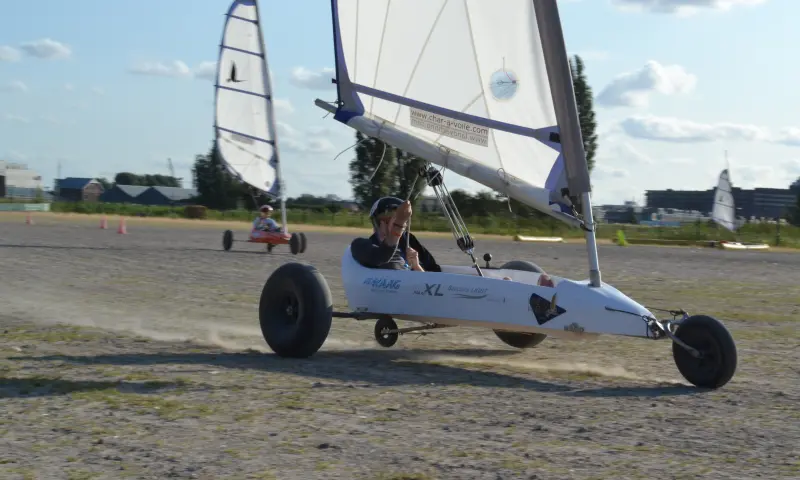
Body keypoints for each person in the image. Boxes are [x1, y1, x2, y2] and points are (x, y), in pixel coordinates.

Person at [351, 196, 440, 272]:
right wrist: (398, 225)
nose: (396, 223)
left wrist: (417, 267)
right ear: (379, 222)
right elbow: (380, 256)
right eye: (389, 219)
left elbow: (434, 274)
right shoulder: (360, 245)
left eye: (400, 220)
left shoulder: (409, 241)